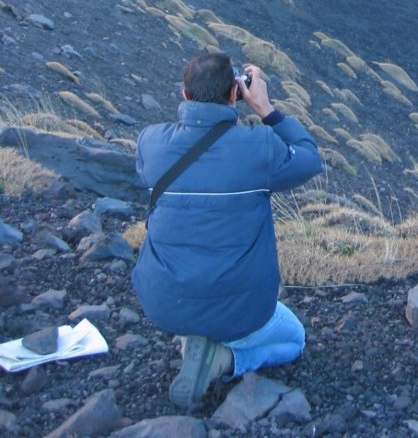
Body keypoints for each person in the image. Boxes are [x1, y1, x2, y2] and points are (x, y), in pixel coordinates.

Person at [131, 50, 323, 410]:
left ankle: (193, 338)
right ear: (236, 95)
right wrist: (266, 109)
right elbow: (310, 158)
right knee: (294, 339)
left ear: (185, 95)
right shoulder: (258, 146)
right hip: (242, 309)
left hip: (163, 302)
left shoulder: (149, 143)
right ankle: (225, 360)